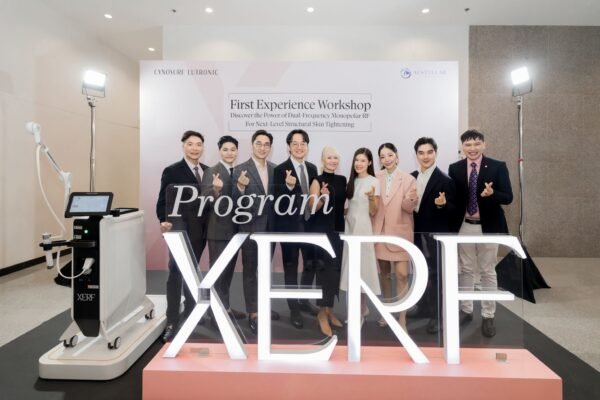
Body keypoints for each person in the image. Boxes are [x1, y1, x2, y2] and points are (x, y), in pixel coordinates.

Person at [448, 129, 513, 338]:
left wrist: (492, 194)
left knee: (487, 271)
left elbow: (508, 197)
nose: (472, 148)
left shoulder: (497, 166)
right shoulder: (455, 168)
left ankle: (488, 315)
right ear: (462, 147)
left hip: (489, 227)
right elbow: (454, 200)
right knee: (466, 269)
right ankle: (466, 310)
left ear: (483, 144)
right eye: (468, 144)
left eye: (476, 144)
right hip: (464, 227)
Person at [155, 130, 208, 343]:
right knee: (176, 272)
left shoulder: (207, 171)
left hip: (201, 231)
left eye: (198, 144)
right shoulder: (172, 170)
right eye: (190, 144)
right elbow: (162, 200)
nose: (195, 148)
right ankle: (172, 320)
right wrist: (163, 220)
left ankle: (192, 311)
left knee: (193, 270)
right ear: (183, 146)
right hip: (179, 228)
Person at [232, 130, 280, 334]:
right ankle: (253, 312)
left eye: (266, 144)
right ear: (252, 145)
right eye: (259, 143)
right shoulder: (240, 170)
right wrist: (240, 188)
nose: (262, 147)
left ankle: (263, 305)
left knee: (265, 270)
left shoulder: (276, 169)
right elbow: (232, 202)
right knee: (250, 271)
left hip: (270, 229)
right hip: (250, 229)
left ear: (270, 147)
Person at [273, 129, 319, 328]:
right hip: (290, 227)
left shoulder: (312, 168)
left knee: (310, 264)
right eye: (295, 144)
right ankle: (294, 309)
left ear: (307, 147)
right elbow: (277, 201)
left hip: (310, 225)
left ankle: (303, 300)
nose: (299, 147)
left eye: (303, 144)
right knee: (291, 267)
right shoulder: (280, 169)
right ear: (288, 147)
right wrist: (289, 187)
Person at [411, 137, 456, 334]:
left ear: (435, 153)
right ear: (416, 155)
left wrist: (442, 205)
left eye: (429, 152)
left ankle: (438, 316)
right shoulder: (411, 177)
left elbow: (455, 210)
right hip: (416, 234)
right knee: (420, 272)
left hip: (435, 235)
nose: (425, 156)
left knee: (437, 275)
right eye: (421, 153)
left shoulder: (445, 180)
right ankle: (423, 308)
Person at [371, 143, 417, 330]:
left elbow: (408, 208)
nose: (387, 159)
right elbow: (372, 206)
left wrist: (411, 199)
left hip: (400, 233)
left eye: (390, 155)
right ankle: (387, 312)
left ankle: (402, 318)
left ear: (397, 156)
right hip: (380, 232)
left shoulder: (408, 179)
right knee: (384, 274)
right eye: (382, 156)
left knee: (402, 275)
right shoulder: (375, 177)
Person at [202, 135, 246, 322]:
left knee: (228, 273)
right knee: (217, 273)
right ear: (219, 151)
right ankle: (215, 312)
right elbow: (204, 200)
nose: (229, 153)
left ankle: (225, 307)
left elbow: (241, 202)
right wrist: (215, 190)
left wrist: (242, 188)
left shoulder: (240, 172)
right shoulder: (211, 171)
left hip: (236, 231)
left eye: (233, 149)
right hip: (218, 231)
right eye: (225, 149)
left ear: (237, 151)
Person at [307, 146, 347, 336]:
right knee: (325, 271)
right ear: (323, 160)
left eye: (335, 158)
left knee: (335, 270)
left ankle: (329, 310)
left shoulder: (342, 180)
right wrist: (322, 197)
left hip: (338, 231)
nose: (333, 161)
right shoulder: (317, 180)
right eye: (329, 157)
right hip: (321, 231)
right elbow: (312, 207)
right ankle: (321, 314)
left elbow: (343, 207)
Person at [340, 148, 380, 322]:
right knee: (351, 269)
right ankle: (360, 310)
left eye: (363, 160)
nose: (359, 163)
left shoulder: (374, 181)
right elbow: (348, 208)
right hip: (350, 229)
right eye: (357, 160)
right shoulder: (351, 181)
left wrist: (371, 198)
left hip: (363, 229)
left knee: (362, 269)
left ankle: (360, 311)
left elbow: (373, 211)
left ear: (369, 162)